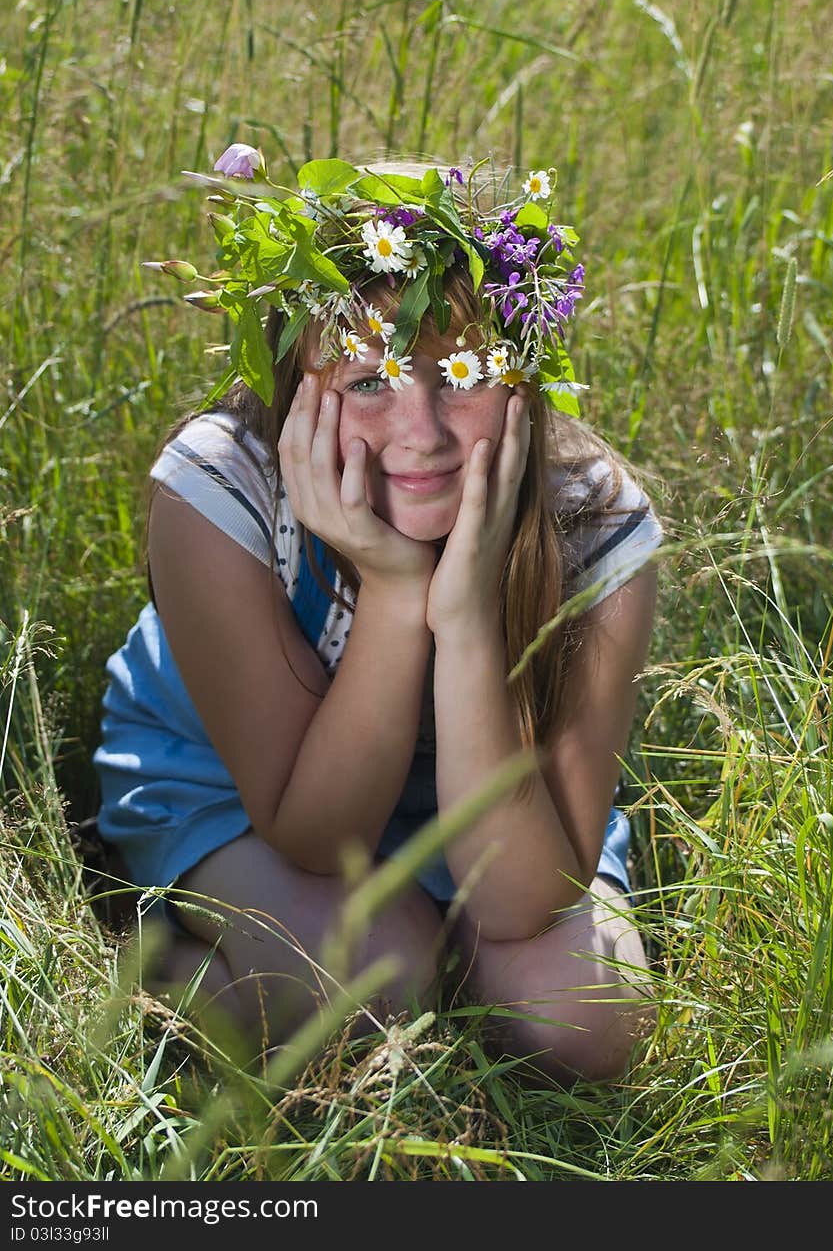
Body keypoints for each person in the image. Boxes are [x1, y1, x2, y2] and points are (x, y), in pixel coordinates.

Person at [93, 149, 662, 1083]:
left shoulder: (596, 526)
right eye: (368, 382)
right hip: (252, 791)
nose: (424, 432)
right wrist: (397, 593)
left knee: (589, 1027)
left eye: (468, 372)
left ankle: (433, 961)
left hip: (496, 801)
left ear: (524, 377)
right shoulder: (218, 490)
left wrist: (470, 617)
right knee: (375, 988)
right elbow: (315, 834)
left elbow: (524, 902)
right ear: (295, 389)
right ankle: (172, 962)